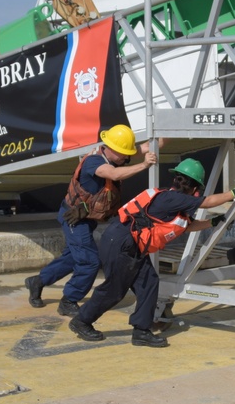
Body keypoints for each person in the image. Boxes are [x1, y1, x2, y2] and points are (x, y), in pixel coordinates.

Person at [68, 158, 235, 348]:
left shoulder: (172, 201)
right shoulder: (173, 198)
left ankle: (141, 331)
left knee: (149, 282)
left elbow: (186, 226)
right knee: (114, 290)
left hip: (129, 244)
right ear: (194, 188)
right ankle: (82, 321)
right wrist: (234, 193)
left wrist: (214, 222)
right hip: (121, 243)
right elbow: (207, 202)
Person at [25, 124, 158, 314]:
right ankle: (69, 300)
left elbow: (146, 147)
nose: (125, 158)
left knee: (72, 258)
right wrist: (144, 165)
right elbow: (112, 174)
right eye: (123, 154)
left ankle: (37, 282)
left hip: (87, 219)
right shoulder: (94, 162)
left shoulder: (115, 155)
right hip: (74, 219)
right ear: (111, 148)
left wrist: (166, 133)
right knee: (89, 262)